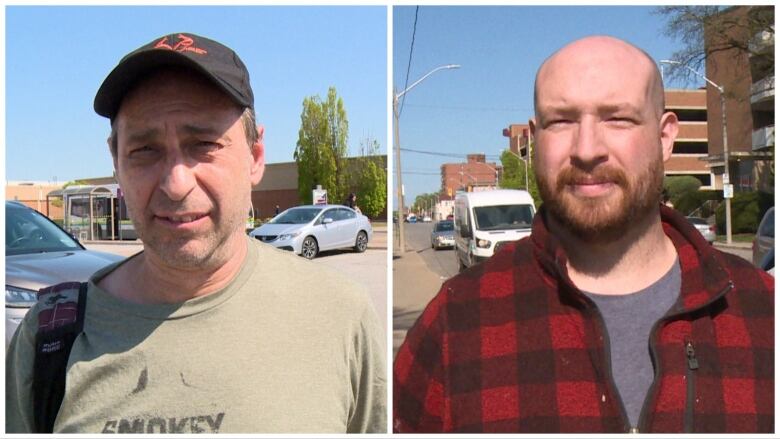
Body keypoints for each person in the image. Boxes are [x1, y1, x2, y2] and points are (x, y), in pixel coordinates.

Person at [6, 32, 386, 434]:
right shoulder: (48, 339)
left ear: (255, 157)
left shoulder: (341, 315)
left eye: (203, 144)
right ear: (116, 163)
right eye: (145, 150)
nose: (175, 183)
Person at [394, 36, 773, 433]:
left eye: (617, 118)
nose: (588, 149)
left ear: (665, 138)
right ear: (536, 140)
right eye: (562, 121)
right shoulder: (459, 319)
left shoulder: (761, 309)